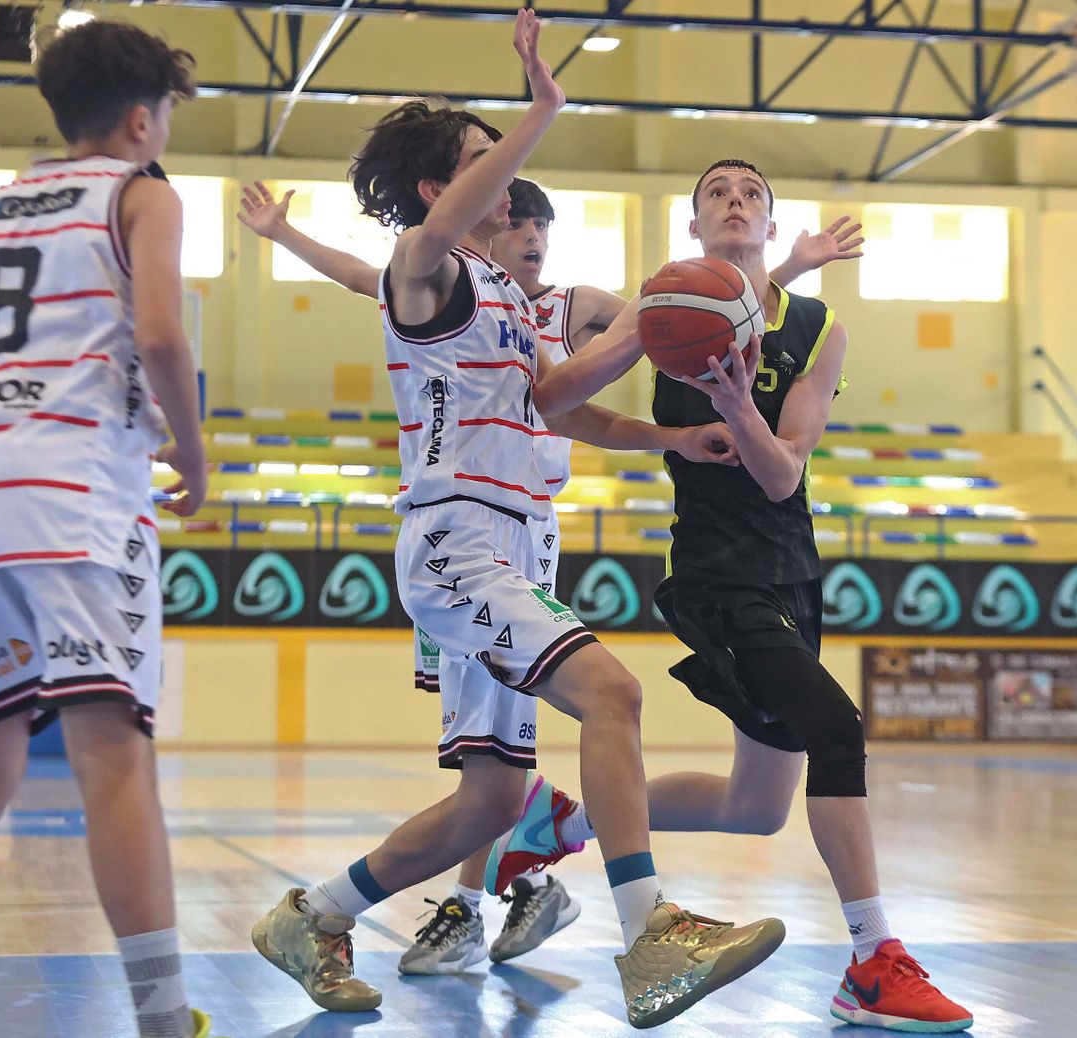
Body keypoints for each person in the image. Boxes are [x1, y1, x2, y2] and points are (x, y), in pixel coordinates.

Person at [248, 15, 786, 1027]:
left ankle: (311, 917)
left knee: (492, 802)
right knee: (612, 694)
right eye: (478, 157)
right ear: (436, 190)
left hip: (503, 541)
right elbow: (435, 237)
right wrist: (544, 107)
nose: (500, 168)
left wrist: (663, 420)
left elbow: (556, 400)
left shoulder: (499, 290)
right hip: (456, 541)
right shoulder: (422, 266)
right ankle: (651, 934)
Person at [481, 158, 973, 1033]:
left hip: (794, 569)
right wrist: (663, 406)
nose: (736, 202)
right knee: (837, 728)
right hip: (718, 576)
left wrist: (741, 405)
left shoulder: (820, 327)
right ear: (695, 229)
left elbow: (784, 477)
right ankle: (871, 960)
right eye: (717, 195)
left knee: (756, 808)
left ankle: (564, 822)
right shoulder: (664, 307)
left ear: (771, 227)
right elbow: (556, 400)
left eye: (752, 195)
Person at [0, 20, 217, 1038]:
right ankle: (163, 1015)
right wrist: (195, 451)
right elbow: (159, 333)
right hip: (75, 495)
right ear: (145, 119)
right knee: (113, 752)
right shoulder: (143, 192)